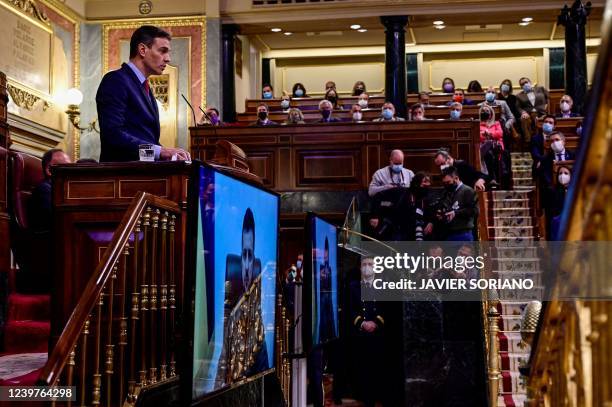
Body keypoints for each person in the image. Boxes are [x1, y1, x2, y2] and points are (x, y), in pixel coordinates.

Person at [96, 25, 190, 162]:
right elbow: (113, 135)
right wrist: (160, 152)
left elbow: (147, 139)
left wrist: (170, 156)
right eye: (162, 51)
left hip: (142, 175)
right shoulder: (115, 80)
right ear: (142, 50)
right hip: (122, 177)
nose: (168, 58)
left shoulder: (145, 88)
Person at [349, 257, 386, 407]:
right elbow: (349, 309)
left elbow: (387, 309)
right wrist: (363, 323)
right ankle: (366, 399)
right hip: (361, 334)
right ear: (359, 268)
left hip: (380, 334)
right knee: (364, 369)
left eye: (370, 264)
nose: (367, 267)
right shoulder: (353, 286)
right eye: (364, 264)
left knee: (379, 369)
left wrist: (376, 323)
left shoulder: (384, 286)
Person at [28, 149, 71, 234]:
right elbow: (57, 219)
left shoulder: (63, 190)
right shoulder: (44, 189)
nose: (70, 171)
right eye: (66, 167)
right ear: (49, 170)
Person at [438, 166, 478, 241]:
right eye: (444, 183)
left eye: (448, 182)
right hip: (449, 233)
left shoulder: (468, 191)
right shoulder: (446, 192)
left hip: (463, 233)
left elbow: (474, 210)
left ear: (456, 178)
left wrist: (456, 213)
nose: (446, 185)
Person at [516, 77, 549, 143]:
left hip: (542, 113)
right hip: (529, 115)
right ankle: (528, 140)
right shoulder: (519, 96)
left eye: (526, 82)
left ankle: (540, 139)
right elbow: (518, 107)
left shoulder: (540, 89)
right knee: (524, 119)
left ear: (530, 82)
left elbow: (549, 98)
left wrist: (547, 106)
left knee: (539, 118)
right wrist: (523, 112)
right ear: (521, 87)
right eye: (522, 84)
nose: (525, 84)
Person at [479, 105, 504, 185]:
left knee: (490, 149)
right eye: (483, 111)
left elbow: (500, 134)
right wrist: (484, 135)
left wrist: (488, 133)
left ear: (491, 114)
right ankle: (492, 178)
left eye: (487, 111)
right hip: (482, 147)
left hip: (496, 146)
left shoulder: (496, 123)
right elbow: (477, 136)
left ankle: (491, 178)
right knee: (489, 154)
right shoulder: (477, 124)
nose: (485, 113)